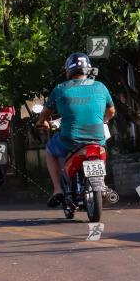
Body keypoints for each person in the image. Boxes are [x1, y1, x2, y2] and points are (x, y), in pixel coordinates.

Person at [38, 52, 115, 207]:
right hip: (97, 138)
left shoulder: (60, 89)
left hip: (71, 139)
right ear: (88, 69)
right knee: (102, 151)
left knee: (50, 151)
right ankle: (103, 184)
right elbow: (111, 112)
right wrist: (103, 120)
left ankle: (58, 190)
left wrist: (42, 123)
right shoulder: (100, 86)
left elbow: (44, 115)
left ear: (68, 71)